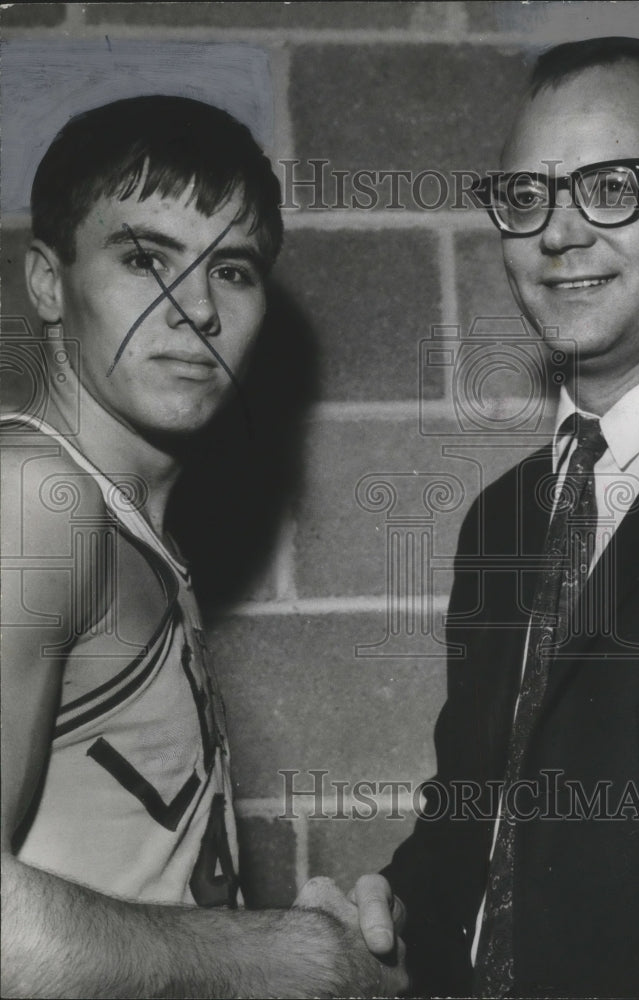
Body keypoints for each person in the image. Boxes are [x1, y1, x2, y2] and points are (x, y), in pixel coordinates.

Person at [0, 95, 407, 999]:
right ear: (45, 282)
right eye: (145, 257)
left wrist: (303, 934)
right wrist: (299, 958)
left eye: (232, 270)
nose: (196, 311)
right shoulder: (33, 499)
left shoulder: (133, 529)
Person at [383, 37, 639, 998]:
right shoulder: (501, 519)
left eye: (613, 186)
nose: (558, 233)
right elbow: (481, 811)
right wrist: (378, 912)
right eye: (527, 197)